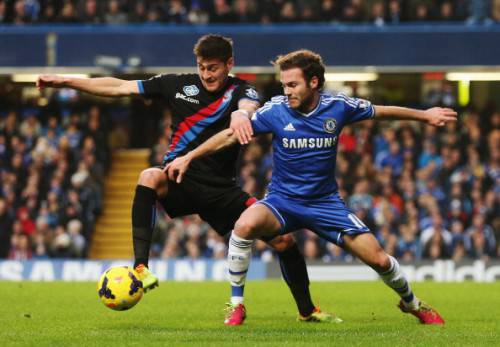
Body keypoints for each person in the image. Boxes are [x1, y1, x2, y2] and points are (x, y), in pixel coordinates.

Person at [36, 35, 333, 326]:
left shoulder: (243, 90)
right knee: (150, 175)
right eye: (202, 67)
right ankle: (141, 267)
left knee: (284, 241)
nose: (207, 75)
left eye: (213, 68)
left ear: (229, 64)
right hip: (180, 179)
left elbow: (248, 106)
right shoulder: (177, 85)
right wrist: (66, 81)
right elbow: (119, 86)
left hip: (221, 190)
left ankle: (307, 310)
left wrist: (242, 116)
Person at [167, 49, 458, 325]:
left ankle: (412, 303)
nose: (286, 91)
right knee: (244, 225)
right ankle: (236, 305)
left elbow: (381, 112)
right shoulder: (274, 111)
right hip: (282, 201)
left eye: (293, 84)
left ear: (314, 82)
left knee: (380, 259)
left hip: (325, 204)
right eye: (284, 84)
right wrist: (190, 156)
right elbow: (230, 135)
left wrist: (425, 115)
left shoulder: (339, 107)